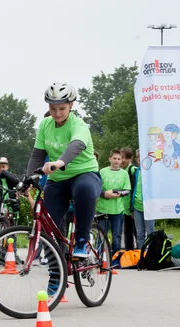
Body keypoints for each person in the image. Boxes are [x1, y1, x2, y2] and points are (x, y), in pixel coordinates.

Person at [26, 82, 101, 259]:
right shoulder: (45, 125)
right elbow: (37, 155)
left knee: (84, 189)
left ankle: (82, 240)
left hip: (85, 174)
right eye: (53, 109)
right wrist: (29, 179)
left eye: (62, 108)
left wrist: (60, 162)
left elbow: (77, 145)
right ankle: (56, 274)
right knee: (47, 224)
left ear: (71, 105)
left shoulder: (79, 125)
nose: (57, 113)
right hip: (58, 180)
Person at [96, 149, 131, 253]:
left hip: (117, 210)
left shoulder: (124, 174)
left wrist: (115, 192)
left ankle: (114, 257)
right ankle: (99, 257)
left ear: (121, 161)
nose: (116, 161)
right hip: (103, 209)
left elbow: (127, 190)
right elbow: (97, 187)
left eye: (119, 159)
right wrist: (105, 194)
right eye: (114, 158)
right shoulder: (102, 172)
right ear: (110, 159)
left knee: (116, 235)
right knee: (102, 234)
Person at [131, 149, 155, 248]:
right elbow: (132, 189)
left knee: (150, 232)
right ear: (137, 159)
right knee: (140, 233)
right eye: (140, 158)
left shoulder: (153, 173)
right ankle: (141, 255)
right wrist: (131, 208)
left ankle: (150, 254)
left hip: (150, 207)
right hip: (137, 206)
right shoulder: (135, 172)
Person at [121, 147, 137, 250]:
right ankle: (129, 252)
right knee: (127, 232)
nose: (121, 160)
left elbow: (134, 189)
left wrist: (132, 208)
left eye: (123, 158)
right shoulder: (122, 171)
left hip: (132, 207)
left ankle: (139, 253)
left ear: (130, 159)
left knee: (135, 231)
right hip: (124, 207)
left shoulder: (132, 170)